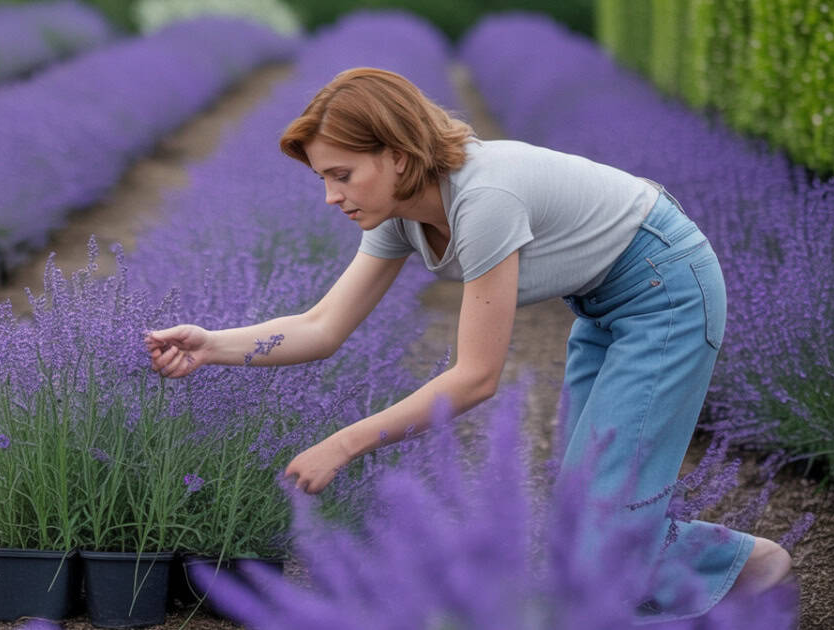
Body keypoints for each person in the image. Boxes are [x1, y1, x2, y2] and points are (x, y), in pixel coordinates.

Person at [143, 67, 792, 618]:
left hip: (666, 291)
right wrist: (211, 346)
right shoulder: (401, 216)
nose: (329, 197)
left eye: (341, 174)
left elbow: (477, 377)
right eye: (322, 178)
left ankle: (736, 577)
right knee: (586, 519)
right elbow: (322, 327)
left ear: (397, 154)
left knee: (602, 533)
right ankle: (740, 568)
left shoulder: (483, 198)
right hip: (603, 304)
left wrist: (344, 443)